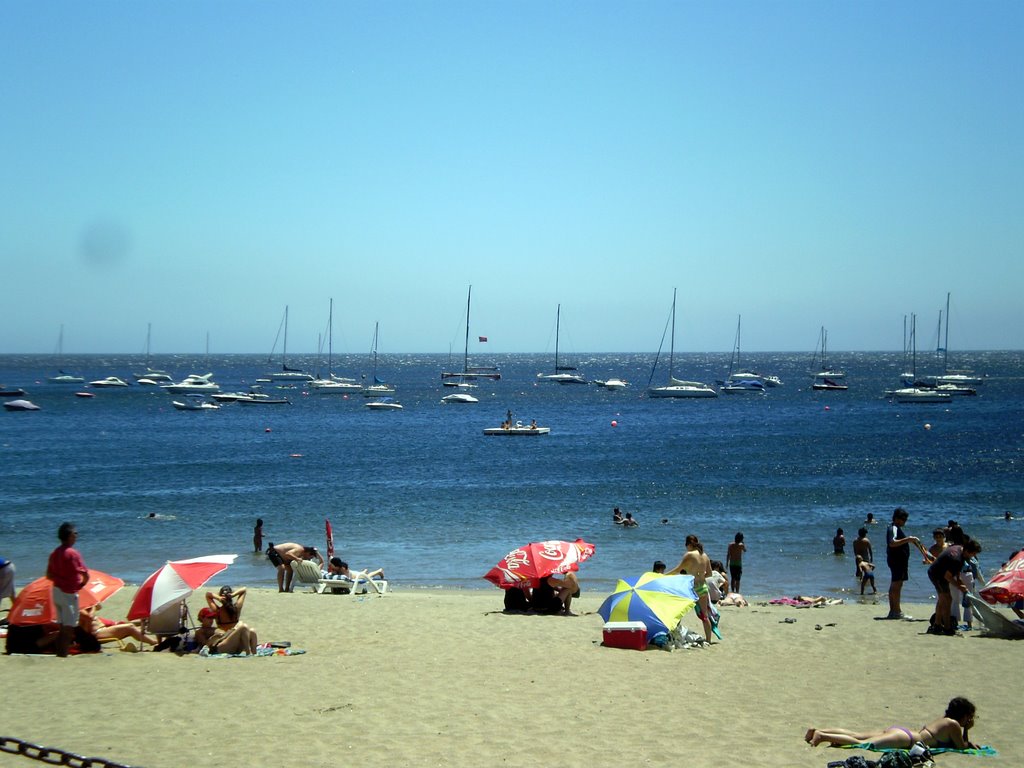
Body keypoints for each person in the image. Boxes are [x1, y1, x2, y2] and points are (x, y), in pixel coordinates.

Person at [805, 696, 978, 750]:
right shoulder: (954, 725)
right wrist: (967, 731)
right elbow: (961, 747)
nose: (969, 720)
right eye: (969, 717)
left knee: (856, 734)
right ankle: (822, 736)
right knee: (863, 744)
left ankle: (818, 730)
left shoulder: (944, 720)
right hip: (907, 739)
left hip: (902, 732)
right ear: (963, 715)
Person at [46, 522, 90, 657]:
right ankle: (63, 654)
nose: (76, 536)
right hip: (68, 592)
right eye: (75, 534)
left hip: (57, 591)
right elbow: (85, 574)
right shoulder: (72, 553)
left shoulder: (55, 553)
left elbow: (49, 574)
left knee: (62, 625)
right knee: (69, 627)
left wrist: (61, 579)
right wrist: (81, 585)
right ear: (69, 536)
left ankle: (60, 652)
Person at [927, 537, 982, 635]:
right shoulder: (956, 558)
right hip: (937, 574)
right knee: (947, 599)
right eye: (973, 554)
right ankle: (947, 628)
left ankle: (937, 625)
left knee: (942, 599)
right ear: (967, 551)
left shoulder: (960, 549)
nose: (973, 556)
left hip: (940, 571)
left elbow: (955, 572)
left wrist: (960, 582)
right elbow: (948, 577)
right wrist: (959, 586)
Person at [667, 534, 716, 642]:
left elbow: (678, 569)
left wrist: (664, 576)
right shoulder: (705, 555)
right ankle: (708, 640)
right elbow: (709, 574)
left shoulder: (689, 555)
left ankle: (674, 634)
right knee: (705, 615)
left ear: (688, 544)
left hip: (690, 588)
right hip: (702, 587)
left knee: (678, 611)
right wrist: (700, 575)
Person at [885, 507, 925, 620]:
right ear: (897, 518)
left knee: (895, 585)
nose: (905, 522)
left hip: (897, 561)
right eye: (904, 519)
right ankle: (897, 611)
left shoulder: (894, 528)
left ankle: (893, 611)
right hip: (897, 561)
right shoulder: (893, 528)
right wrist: (908, 539)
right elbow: (892, 543)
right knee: (896, 585)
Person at [79, 604, 159, 648]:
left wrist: (93, 603)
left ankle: (148, 624)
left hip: (102, 627)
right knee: (130, 627)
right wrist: (92, 606)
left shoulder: (85, 603)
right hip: (95, 634)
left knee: (131, 623)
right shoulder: (79, 608)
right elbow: (89, 617)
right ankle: (153, 642)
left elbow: (99, 606)